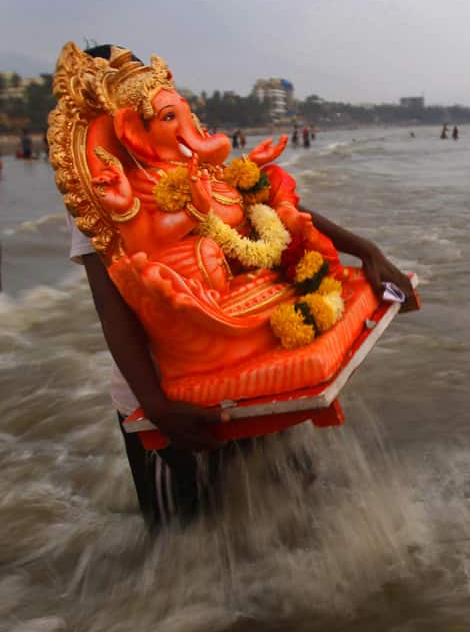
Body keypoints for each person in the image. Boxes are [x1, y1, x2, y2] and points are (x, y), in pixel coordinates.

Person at [67, 44, 417, 530]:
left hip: (245, 365)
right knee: (186, 533)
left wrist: (365, 250)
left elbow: (268, 210)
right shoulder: (104, 195)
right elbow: (114, 307)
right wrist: (158, 408)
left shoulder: (191, 161)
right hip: (165, 397)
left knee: (287, 511)